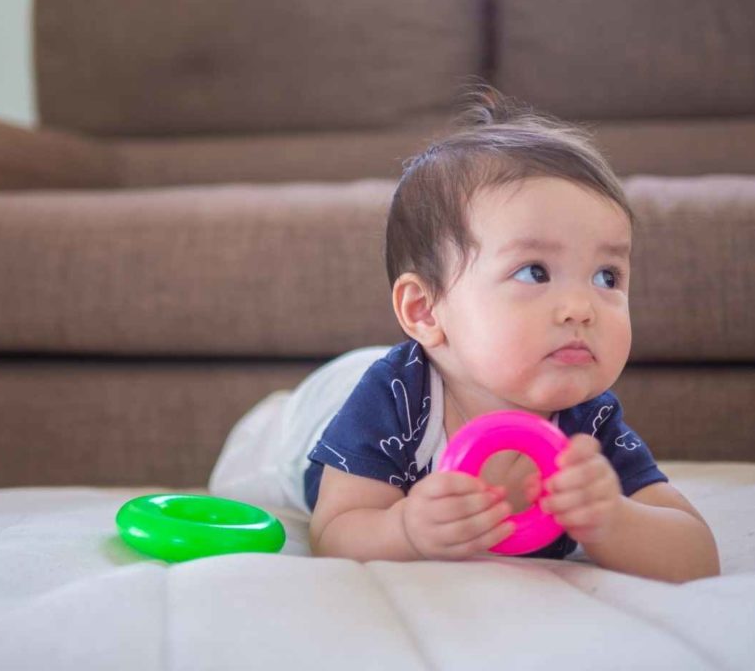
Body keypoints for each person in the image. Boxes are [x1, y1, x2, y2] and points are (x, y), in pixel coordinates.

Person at [210, 90, 720, 582]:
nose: (580, 308)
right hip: (312, 418)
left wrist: (615, 520)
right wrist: (405, 528)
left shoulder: (589, 423)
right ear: (426, 309)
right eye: (534, 272)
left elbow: (696, 553)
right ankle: (275, 416)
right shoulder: (397, 395)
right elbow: (336, 531)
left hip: (440, 358)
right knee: (259, 456)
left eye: (607, 277)